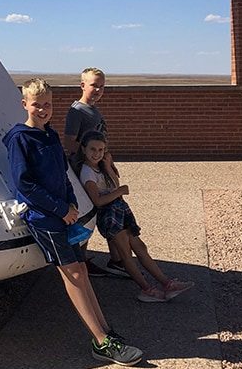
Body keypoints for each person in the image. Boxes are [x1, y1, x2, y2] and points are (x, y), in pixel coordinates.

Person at [3, 78, 143, 366]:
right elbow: (25, 184)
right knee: (74, 274)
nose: (42, 110)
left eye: (47, 105)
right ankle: (102, 342)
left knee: (81, 269)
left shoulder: (50, 136)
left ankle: (106, 331)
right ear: (24, 104)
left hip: (64, 213)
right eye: (36, 104)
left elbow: (62, 173)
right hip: (43, 217)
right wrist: (59, 208)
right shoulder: (20, 138)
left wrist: (72, 204)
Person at [77, 130, 194, 303]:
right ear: (83, 149)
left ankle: (166, 283)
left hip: (119, 210)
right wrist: (119, 191)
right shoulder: (87, 173)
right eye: (93, 149)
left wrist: (108, 167)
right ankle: (146, 289)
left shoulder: (100, 167)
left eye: (101, 150)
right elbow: (98, 201)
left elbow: (114, 184)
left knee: (140, 246)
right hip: (108, 215)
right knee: (125, 252)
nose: (97, 154)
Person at [63, 67, 126, 277]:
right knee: (88, 213)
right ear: (82, 85)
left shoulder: (93, 110)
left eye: (101, 86)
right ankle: (81, 259)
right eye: (94, 85)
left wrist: (107, 161)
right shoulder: (77, 111)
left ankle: (115, 259)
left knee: (109, 210)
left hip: (99, 166)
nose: (98, 89)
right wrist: (86, 167)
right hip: (86, 172)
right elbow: (71, 143)